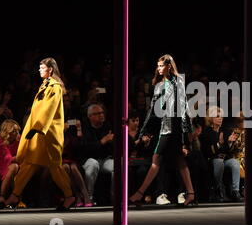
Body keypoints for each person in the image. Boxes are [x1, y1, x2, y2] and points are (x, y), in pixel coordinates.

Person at [4, 57, 75, 211]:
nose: (39, 70)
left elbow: (49, 108)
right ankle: (15, 194)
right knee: (29, 163)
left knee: (54, 166)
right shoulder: (46, 85)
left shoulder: (54, 87)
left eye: (42, 67)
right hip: (40, 132)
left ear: (50, 69)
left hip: (49, 134)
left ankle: (69, 196)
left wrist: (37, 128)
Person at [129, 54, 195, 207]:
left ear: (169, 66)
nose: (158, 68)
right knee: (179, 161)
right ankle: (190, 193)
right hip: (165, 128)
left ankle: (139, 193)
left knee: (157, 159)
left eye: (161, 65)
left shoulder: (177, 81)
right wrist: (143, 132)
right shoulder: (159, 84)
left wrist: (186, 137)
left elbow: (184, 109)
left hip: (174, 129)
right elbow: (152, 111)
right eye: (157, 66)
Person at [201, 106, 241, 203]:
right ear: (210, 118)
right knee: (219, 162)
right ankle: (217, 190)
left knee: (234, 162)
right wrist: (220, 144)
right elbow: (208, 152)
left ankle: (235, 191)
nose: (220, 118)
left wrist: (230, 142)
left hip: (224, 159)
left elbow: (228, 151)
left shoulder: (225, 131)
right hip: (211, 160)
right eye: (217, 116)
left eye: (221, 116)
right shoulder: (206, 132)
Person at [81, 104, 114, 205]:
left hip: (105, 159)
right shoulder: (85, 128)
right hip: (89, 159)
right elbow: (87, 149)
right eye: (98, 113)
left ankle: (115, 198)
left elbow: (111, 147)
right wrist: (102, 141)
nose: (101, 115)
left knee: (117, 166)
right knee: (93, 164)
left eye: (102, 112)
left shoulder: (108, 126)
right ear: (90, 116)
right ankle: (88, 198)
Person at [0, 119, 21, 206]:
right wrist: (20, 157)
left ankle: (17, 197)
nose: (17, 133)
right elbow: (6, 158)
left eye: (17, 131)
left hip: (15, 162)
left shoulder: (17, 140)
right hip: (0, 163)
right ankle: (1, 196)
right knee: (14, 167)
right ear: (8, 132)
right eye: (14, 131)